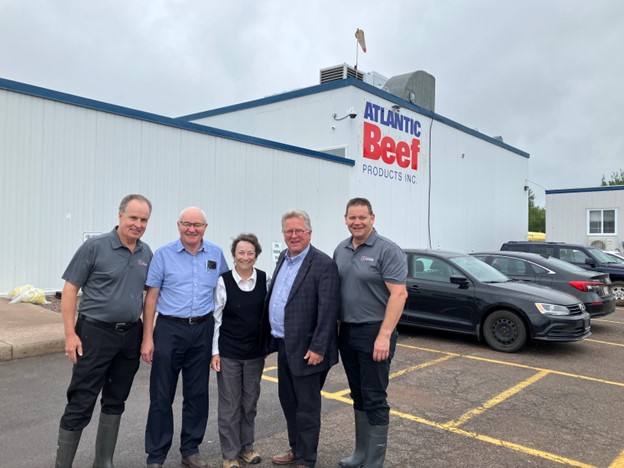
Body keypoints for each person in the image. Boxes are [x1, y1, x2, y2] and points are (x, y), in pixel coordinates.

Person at [54, 194, 153, 468]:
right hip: (94, 333)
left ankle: (104, 461)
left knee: (116, 398)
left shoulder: (146, 253)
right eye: (133, 217)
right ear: (120, 216)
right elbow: (70, 290)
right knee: (81, 400)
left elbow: (150, 297)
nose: (138, 224)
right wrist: (70, 334)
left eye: (144, 220)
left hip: (130, 335)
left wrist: (147, 336)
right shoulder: (95, 247)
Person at [141, 207, 228, 468]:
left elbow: (223, 293)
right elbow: (151, 299)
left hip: (202, 330)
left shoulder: (216, 253)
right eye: (187, 224)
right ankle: (156, 455)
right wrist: (147, 338)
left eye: (197, 225)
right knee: (161, 394)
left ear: (205, 227)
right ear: (178, 225)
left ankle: (190, 449)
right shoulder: (163, 255)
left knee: (197, 393)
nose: (192, 229)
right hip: (169, 329)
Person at [333, 198, 408, 468]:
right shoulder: (340, 249)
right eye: (352, 217)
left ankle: (374, 462)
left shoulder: (387, 250)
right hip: (348, 333)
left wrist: (384, 335)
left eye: (362, 217)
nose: (357, 222)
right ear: (345, 219)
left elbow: (399, 294)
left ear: (372, 218)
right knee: (358, 394)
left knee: (375, 397)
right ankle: (360, 454)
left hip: (375, 332)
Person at [263, 210, 340, 468]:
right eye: (288, 231)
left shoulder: (323, 264)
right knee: (289, 401)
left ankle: (307, 458)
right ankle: (296, 448)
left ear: (309, 233)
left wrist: (318, 347)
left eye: (298, 231)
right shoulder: (283, 259)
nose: (293, 236)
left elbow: (328, 310)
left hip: (308, 349)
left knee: (307, 407)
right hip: (284, 344)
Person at [211, 233, 268, 468]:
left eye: (250, 253)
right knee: (230, 406)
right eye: (241, 252)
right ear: (234, 256)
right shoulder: (223, 281)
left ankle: (247, 448)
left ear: (256, 256)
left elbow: (268, 316)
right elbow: (216, 319)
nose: (245, 257)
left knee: (249, 404)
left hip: (255, 354)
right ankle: (230, 455)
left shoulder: (265, 279)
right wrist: (214, 352)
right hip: (229, 354)